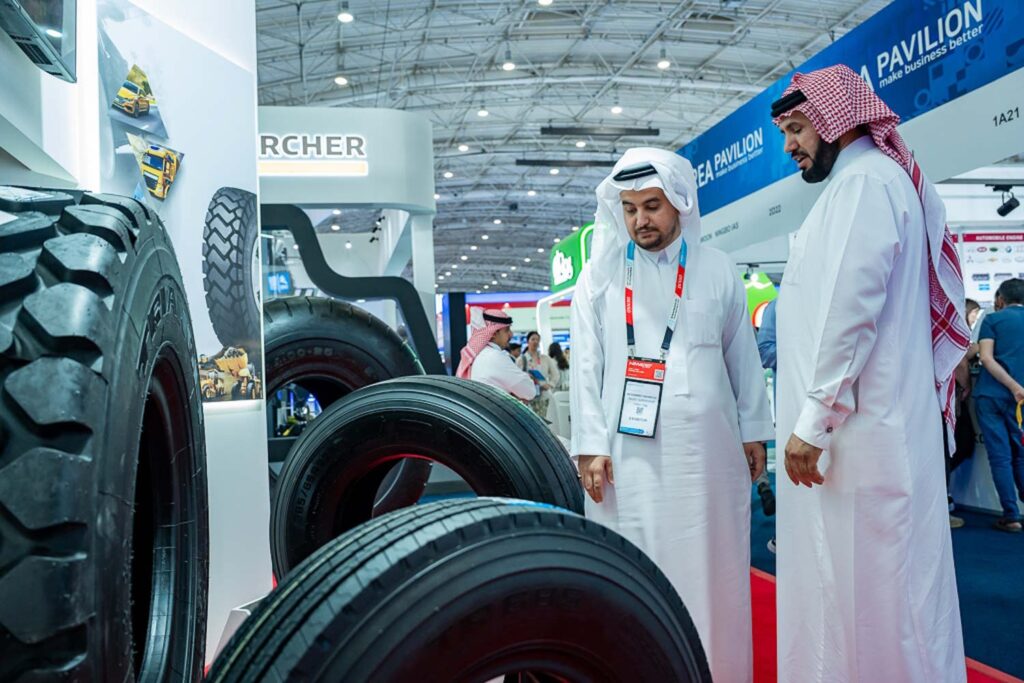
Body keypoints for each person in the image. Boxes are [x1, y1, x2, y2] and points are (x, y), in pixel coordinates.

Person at [771, 65, 969, 682]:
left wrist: (813, 421)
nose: (790, 145)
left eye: (797, 128)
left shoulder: (866, 184)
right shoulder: (858, 185)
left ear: (836, 120)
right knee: (862, 595)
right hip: (857, 435)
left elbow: (849, 312)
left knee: (885, 603)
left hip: (866, 435)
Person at [571, 146, 773, 683]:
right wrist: (590, 444)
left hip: (710, 456)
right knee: (638, 567)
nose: (641, 219)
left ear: (680, 204)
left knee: (713, 572)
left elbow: (742, 357)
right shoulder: (599, 276)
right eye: (630, 208)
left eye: (652, 206)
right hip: (629, 458)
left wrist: (754, 432)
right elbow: (586, 366)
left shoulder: (717, 268)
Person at [974, 279, 1024, 532]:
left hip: (991, 394)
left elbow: (985, 358)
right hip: (1021, 400)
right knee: (1021, 454)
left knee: (1000, 457)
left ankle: (1011, 516)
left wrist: (1011, 386)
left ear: (1000, 299)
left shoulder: (992, 320)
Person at [457, 308, 541, 401]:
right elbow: (529, 391)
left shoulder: (480, 354)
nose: (511, 334)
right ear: (493, 333)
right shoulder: (494, 356)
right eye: (507, 330)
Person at [517, 331, 558, 417]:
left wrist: (550, 384)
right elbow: (516, 378)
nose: (535, 342)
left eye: (537, 340)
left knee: (544, 420)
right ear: (528, 341)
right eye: (533, 339)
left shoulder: (545, 359)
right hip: (528, 398)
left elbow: (555, 374)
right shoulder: (521, 359)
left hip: (544, 396)